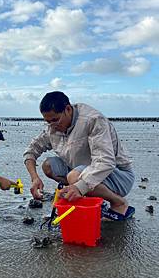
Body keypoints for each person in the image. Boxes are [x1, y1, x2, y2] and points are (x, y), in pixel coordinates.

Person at [23, 91, 135, 221]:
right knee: (48, 166)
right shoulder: (53, 127)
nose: (52, 126)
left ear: (68, 109)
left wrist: (79, 187)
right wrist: (34, 178)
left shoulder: (93, 120)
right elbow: (31, 151)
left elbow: (106, 162)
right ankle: (91, 199)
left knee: (74, 176)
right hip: (82, 170)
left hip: (118, 175)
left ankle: (119, 203)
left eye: (55, 120)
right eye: (48, 122)